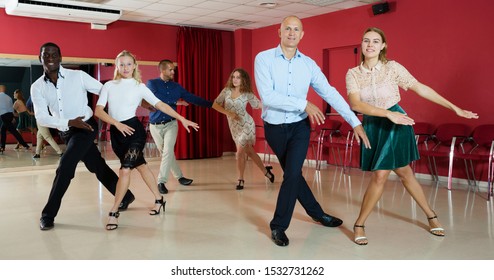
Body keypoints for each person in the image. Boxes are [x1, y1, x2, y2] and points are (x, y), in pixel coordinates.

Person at [346, 27, 479, 245]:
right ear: (361, 44)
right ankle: (431, 214)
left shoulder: (392, 68)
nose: (370, 45)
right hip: (375, 125)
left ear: (383, 46)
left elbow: (420, 88)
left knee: (381, 175)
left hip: (398, 124)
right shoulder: (353, 73)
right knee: (404, 173)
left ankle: (360, 223)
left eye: (375, 41)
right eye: (366, 40)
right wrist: (387, 114)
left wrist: (454, 108)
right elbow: (356, 104)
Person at [254, 15, 370, 247]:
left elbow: (329, 92)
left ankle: (278, 226)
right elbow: (268, 96)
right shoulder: (264, 59)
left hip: (299, 126)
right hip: (275, 127)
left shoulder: (308, 64)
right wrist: (304, 104)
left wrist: (354, 121)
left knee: (292, 174)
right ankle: (317, 213)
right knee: (294, 174)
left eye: (296, 29)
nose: (291, 33)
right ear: (279, 32)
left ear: (302, 34)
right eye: (287, 28)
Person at [31, 42, 136, 230]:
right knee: (96, 164)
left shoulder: (77, 76)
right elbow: (41, 117)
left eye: (54, 54)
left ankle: (48, 214)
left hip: (86, 126)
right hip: (66, 130)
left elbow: (105, 90)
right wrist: (69, 123)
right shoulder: (37, 87)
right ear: (40, 58)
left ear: (61, 57)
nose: (51, 58)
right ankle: (126, 196)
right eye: (46, 55)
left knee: (65, 166)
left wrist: (134, 98)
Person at [95, 51, 199, 230]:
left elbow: (161, 105)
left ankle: (113, 211)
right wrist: (116, 124)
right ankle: (159, 199)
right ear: (117, 66)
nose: (125, 68)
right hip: (117, 132)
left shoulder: (140, 86)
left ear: (134, 66)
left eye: (129, 64)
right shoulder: (109, 86)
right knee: (141, 166)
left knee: (125, 170)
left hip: (134, 131)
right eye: (122, 64)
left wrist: (182, 119)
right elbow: (98, 111)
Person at [146, 59, 214, 194]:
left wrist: (211, 104)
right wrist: (176, 102)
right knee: (167, 154)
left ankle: (161, 181)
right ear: (162, 70)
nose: (173, 72)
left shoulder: (177, 87)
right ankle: (180, 177)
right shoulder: (152, 84)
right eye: (170, 69)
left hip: (171, 124)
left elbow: (192, 97)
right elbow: (156, 101)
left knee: (167, 151)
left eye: (173, 69)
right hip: (155, 126)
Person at [212, 68, 274, 190]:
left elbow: (259, 105)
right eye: (233, 77)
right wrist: (228, 113)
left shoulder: (247, 93)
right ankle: (265, 171)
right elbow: (215, 104)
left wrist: (274, 106)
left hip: (246, 124)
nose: (235, 80)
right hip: (234, 127)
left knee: (240, 152)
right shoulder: (226, 91)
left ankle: (240, 179)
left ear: (243, 79)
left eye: (238, 77)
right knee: (249, 152)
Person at [0, 85, 30, 154]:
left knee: (14, 131)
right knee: (3, 130)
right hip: (9, 115)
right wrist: (12, 117)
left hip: (4, 116)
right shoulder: (9, 98)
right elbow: (11, 109)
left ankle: (25, 145)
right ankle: (2, 146)